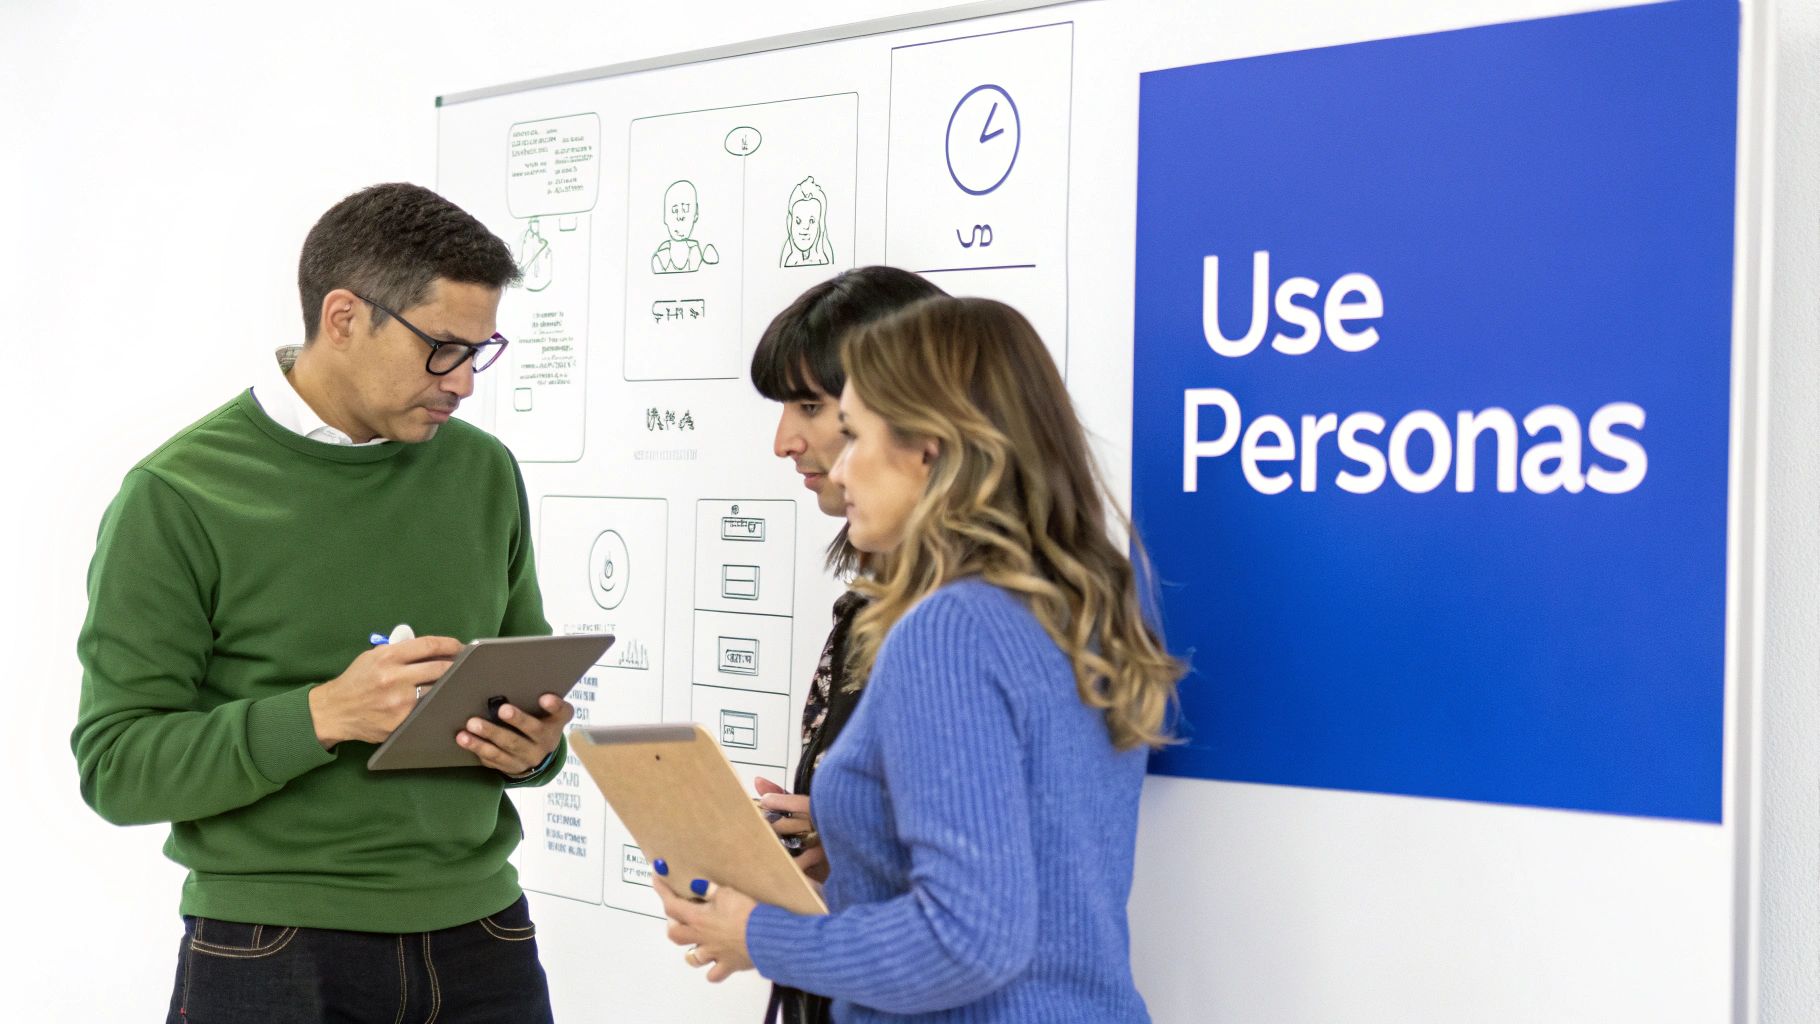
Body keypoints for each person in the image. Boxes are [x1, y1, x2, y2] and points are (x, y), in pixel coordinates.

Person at [71, 182, 574, 1024]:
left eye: (480, 352)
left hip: (485, 935)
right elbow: (116, 767)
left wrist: (532, 747)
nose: (463, 384)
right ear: (343, 317)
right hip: (275, 946)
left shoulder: (483, 473)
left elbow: (529, 701)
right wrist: (323, 714)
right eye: (442, 349)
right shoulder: (179, 495)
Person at [661, 296, 1184, 1021]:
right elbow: (1021, 893)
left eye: (853, 435)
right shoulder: (1093, 603)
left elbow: (968, 940)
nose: (839, 470)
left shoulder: (951, 629)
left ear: (929, 452)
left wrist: (758, 931)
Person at [745, 266, 947, 1024]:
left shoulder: (956, 627)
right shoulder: (874, 603)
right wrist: (843, 828)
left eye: (817, 408)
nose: (785, 442)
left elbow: (971, 923)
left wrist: (756, 934)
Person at [779, 176, 834, 268]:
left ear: (820, 225)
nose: (805, 227)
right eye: (798, 221)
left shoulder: (822, 260)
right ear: (790, 223)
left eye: (812, 221)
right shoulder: (790, 260)